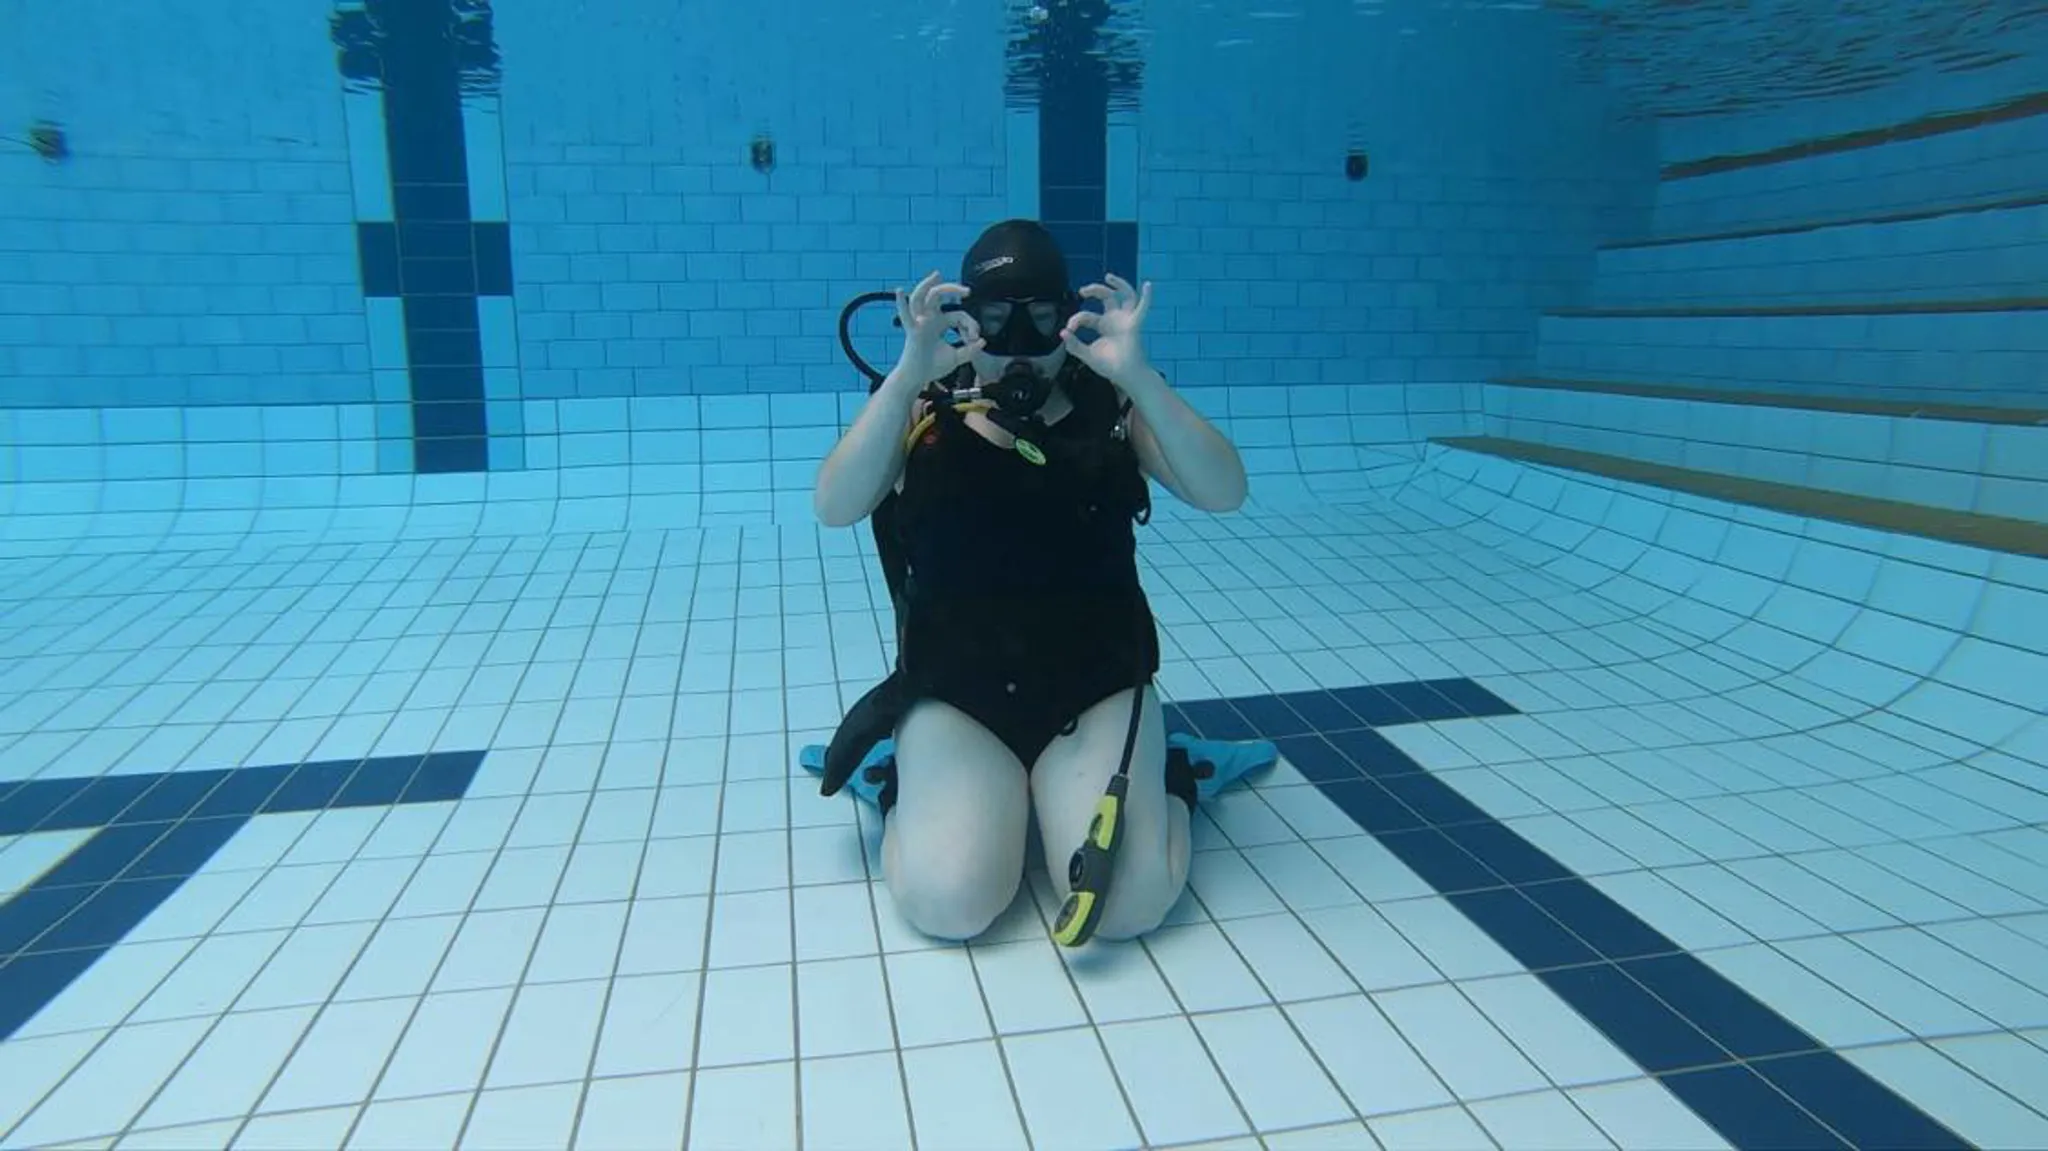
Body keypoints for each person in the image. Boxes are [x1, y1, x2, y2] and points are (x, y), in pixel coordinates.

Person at [809, 219, 1252, 945]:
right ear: (963, 321)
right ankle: (905, 782)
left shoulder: (1111, 405)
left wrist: (1138, 375)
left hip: (1095, 691)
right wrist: (903, 378)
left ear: (1066, 317)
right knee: (948, 902)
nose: (1018, 346)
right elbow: (833, 505)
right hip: (961, 695)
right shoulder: (927, 402)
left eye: (1041, 321)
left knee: (1129, 903)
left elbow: (1225, 490)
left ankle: (1173, 778)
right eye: (993, 322)